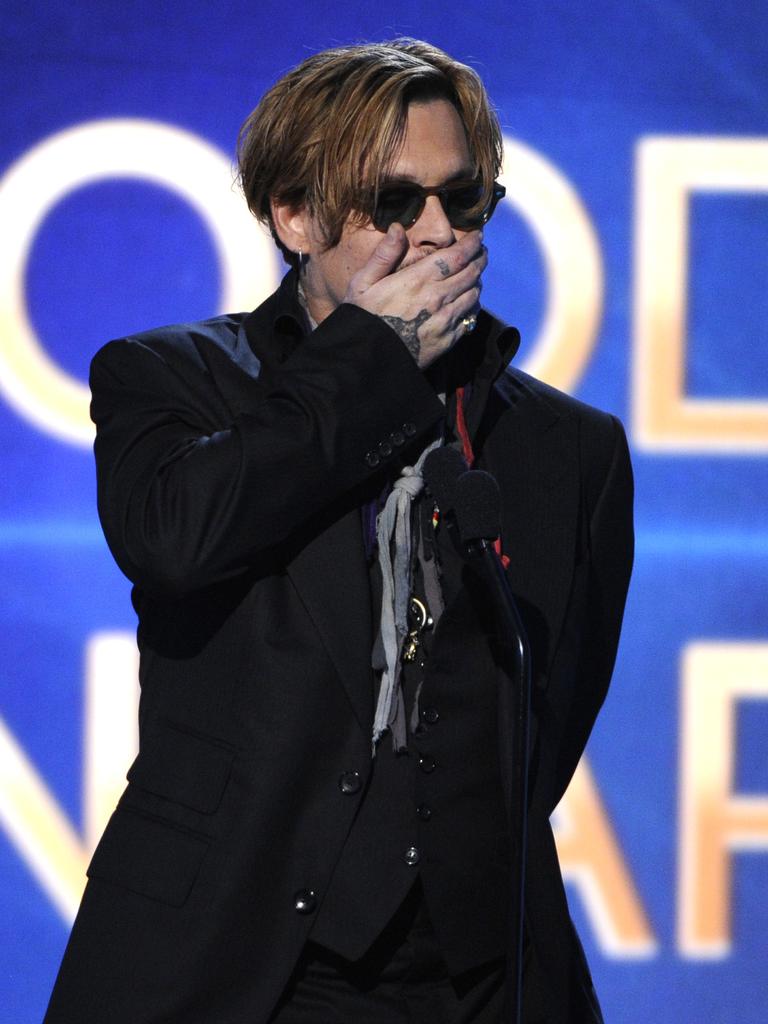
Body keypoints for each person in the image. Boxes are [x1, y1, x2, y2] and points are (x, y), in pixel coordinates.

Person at [44, 38, 633, 1024]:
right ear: (295, 214)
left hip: (472, 977)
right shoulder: (176, 379)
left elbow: (549, 716)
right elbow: (176, 536)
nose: (440, 234)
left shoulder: (570, 448)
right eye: (395, 204)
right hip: (243, 966)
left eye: (466, 198)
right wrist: (375, 359)